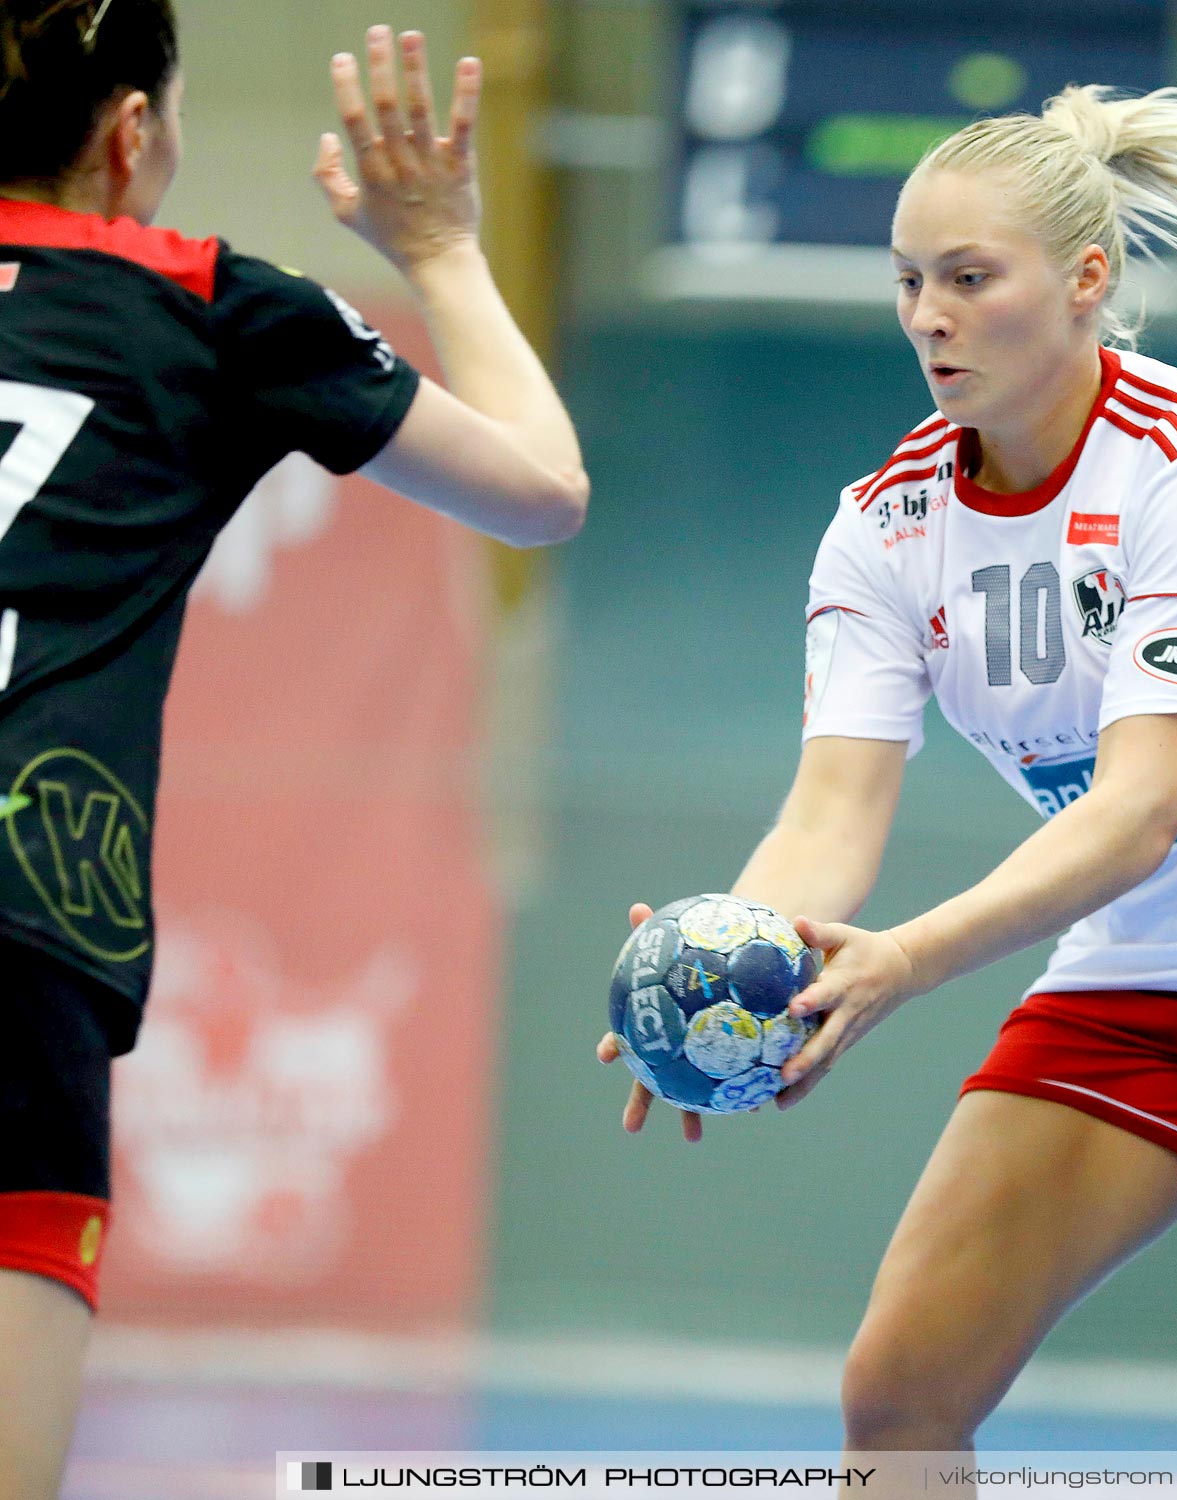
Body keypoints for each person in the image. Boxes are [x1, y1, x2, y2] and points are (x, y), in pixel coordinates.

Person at [602, 83, 1177, 1497]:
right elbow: (831, 813)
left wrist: (904, 959)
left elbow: (1141, 808)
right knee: (899, 1395)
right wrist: (731, 961)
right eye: (908, 282)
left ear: (1086, 281)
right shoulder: (883, 527)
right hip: (1147, 963)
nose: (928, 317)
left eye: (969, 279)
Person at [0, 4, 586, 1494]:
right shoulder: (200, 301)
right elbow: (539, 490)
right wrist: (442, 244)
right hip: (16, 933)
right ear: (134, 132)